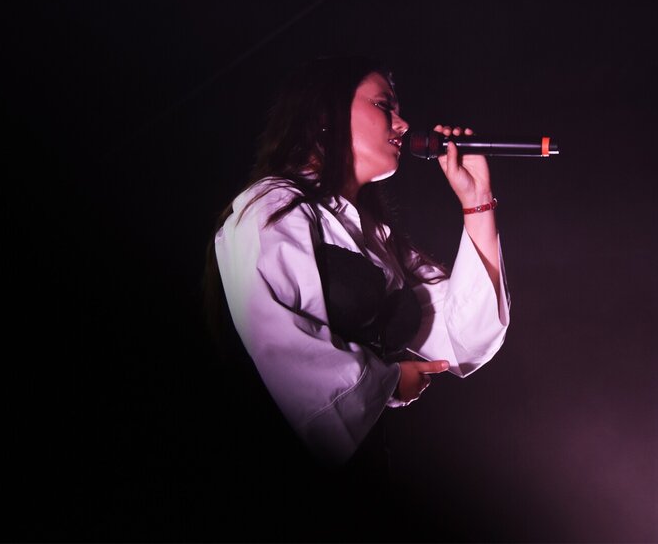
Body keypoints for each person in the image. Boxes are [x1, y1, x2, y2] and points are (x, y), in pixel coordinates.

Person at [201, 54, 510, 529]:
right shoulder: (271, 207)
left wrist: (477, 201)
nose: (402, 124)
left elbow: (466, 336)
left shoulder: (378, 241)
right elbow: (277, 343)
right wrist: (387, 381)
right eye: (385, 106)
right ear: (326, 112)